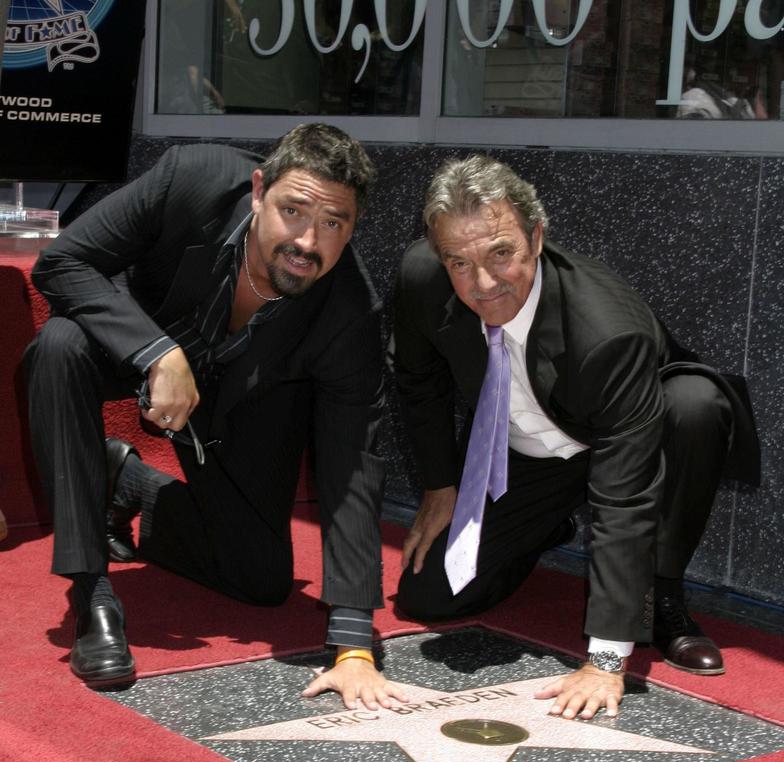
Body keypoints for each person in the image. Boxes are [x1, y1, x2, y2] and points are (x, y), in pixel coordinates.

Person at [24, 123, 406, 712]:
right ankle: (92, 591)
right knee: (59, 346)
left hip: (242, 403)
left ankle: (123, 479)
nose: (308, 241)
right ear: (258, 191)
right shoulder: (191, 178)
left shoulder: (351, 310)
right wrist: (154, 352)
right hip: (132, 347)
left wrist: (354, 642)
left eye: (334, 223)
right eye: (293, 211)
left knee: (260, 580)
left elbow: (352, 461)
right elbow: (63, 261)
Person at [392, 155, 759, 721]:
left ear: (537, 237)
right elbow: (418, 381)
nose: (482, 282)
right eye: (458, 262)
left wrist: (607, 659)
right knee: (429, 597)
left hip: (634, 441)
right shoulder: (422, 277)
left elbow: (625, 496)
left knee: (695, 407)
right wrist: (441, 485)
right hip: (527, 452)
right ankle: (550, 525)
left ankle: (662, 593)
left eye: (500, 253)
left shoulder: (607, 331)